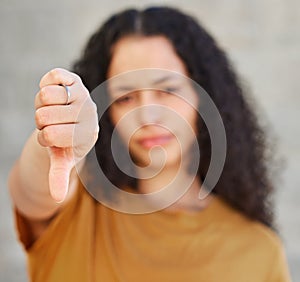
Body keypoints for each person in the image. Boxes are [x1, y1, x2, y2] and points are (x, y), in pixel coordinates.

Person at [9, 6, 291, 282]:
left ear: (205, 96)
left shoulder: (257, 250)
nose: (148, 115)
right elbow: (30, 191)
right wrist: (57, 140)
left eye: (167, 91)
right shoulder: (77, 211)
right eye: (125, 98)